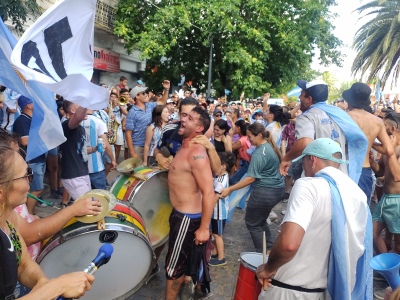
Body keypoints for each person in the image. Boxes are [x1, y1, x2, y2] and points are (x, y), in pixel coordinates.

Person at [256, 138, 372, 300]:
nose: (303, 168)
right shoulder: (355, 194)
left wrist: (268, 268)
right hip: (325, 292)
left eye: (303, 162)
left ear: (312, 159)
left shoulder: (307, 186)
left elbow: (289, 244)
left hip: (289, 290)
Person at [0, 145, 95, 299]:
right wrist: (54, 287)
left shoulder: (7, 217)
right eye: (25, 175)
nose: (30, 181)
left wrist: (42, 283)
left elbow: (23, 265)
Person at [165, 107, 214, 300]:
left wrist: (204, 228)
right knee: (181, 266)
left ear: (200, 128)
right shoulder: (183, 145)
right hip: (180, 216)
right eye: (184, 115)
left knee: (173, 270)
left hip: (186, 218)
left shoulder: (196, 152)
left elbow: (208, 192)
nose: (183, 120)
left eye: (190, 118)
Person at [279, 79, 368, 184]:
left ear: (309, 99)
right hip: (340, 178)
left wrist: (286, 158)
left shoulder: (307, 117)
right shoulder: (340, 114)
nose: (299, 97)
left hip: (317, 180)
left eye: (301, 95)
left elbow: (304, 142)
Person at [221, 122, 285, 252]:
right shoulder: (268, 147)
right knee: (260, 220)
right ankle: (268, 248)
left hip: (265, 192)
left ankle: (261, 254)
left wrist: (230, 189)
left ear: (259, 135)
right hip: (276, 190)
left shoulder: (259, 153)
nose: (248, 139)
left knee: (253, 222)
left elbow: (250, 178)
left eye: (250, 136)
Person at [344, 82, 394, 204]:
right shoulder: (377, 121)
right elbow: (388, 150)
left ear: (349, 100)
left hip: (345, 168)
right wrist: (369, 142)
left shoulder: (344, 117)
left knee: (343, 212)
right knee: (361, 214)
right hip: (364, 169)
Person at [370, 112, 400, 255]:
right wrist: (371, 162)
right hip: (385, 199)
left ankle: (393, 273)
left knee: (398, 246)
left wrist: (390, 153)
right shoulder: (390, 147)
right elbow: (381, 170)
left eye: (384, 125)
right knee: (372, 234)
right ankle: (387, 267)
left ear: (393, 129)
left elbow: (397, 176)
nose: (380, 128)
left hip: (397, 201)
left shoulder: (396, 149)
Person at [13, 96, 46, 214]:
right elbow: (24, 141)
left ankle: (29, 214)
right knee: (36, 189)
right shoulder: (22, 120)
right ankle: (29, 215)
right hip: (32, 160)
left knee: (36, 189)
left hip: (39, 158)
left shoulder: (32, 119)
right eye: (34, 102)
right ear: (28, 105)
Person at [125, 80, 170, 160]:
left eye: (145, 93)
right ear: (137, 96)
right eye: (143, 93)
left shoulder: (149, 105)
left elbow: (163, 102)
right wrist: (132, 152)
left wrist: (166, 89)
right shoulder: (132, 112)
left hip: (149, 146)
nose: (146, 95)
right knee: (137, 172)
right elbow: (128, 133)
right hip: (137, 147)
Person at [209, 151, 236, 267]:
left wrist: (207, 209)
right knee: (215, 233)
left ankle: (221, 257)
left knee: (217, 235)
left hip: (218, 213)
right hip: (218, 212)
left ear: (223, 166)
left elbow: (215, 197)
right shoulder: (221, 176)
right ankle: (215, 252)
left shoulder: (221, 180)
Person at [230, 119, 251, 185]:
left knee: (232, 181)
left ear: (239, 128)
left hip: (246, 164)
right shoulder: (245, 137)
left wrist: (230, 136)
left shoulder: (241, 141)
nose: (234, 129)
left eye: (235, 127)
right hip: (246, 162)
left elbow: (230, 149)